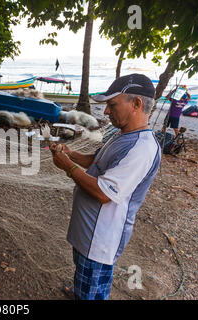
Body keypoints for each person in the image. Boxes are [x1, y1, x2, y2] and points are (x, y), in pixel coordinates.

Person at [50, 74, 161, 300]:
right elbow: (97, 162)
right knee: (83, 273)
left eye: (112, 105)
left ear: (137, 104)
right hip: (88, 232)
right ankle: (80, 289)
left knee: (93, 288)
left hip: (101, 238)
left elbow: (103, 193)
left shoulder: (142, 148)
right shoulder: (123, 134)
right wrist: (71, 155)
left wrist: (68, 167)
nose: (106, 112)